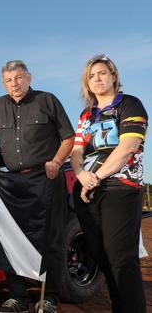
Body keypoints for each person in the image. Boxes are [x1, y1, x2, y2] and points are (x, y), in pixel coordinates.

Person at [0, 60, 74, 313]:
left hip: (48, 178)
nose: (14, 84)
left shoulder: (47, 100)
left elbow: (69, 137)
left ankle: (50, 298)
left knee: (51, 240)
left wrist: (56, 161)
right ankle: (18, 298)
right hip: (14, 182)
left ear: (29, 77)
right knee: (11, 237)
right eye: (9, 80)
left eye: (19, 78)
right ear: (3, 83)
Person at [70, 54, 147, 313]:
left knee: (121, 259)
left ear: (114, 76)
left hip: (120, 187)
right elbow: (76, 152)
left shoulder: (130, 104)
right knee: (102, 257)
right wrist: (81, 175)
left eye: (102, 73)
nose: (97, 79)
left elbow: (127, 147)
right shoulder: (85, 115)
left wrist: (96, 178)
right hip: (86, 190)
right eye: (91, 76)